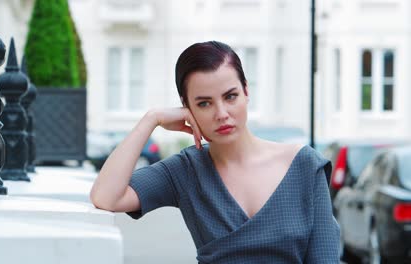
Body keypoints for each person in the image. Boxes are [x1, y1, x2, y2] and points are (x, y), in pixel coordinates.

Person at [90, 41, 340, 263]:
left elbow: (325, 257)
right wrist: (151, 119)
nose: (221, 113)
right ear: (186, 107)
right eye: (204, 103)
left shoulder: (304, 165)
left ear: (246, 92)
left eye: (230, 97)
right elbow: (106, 197)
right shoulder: (185, 170)